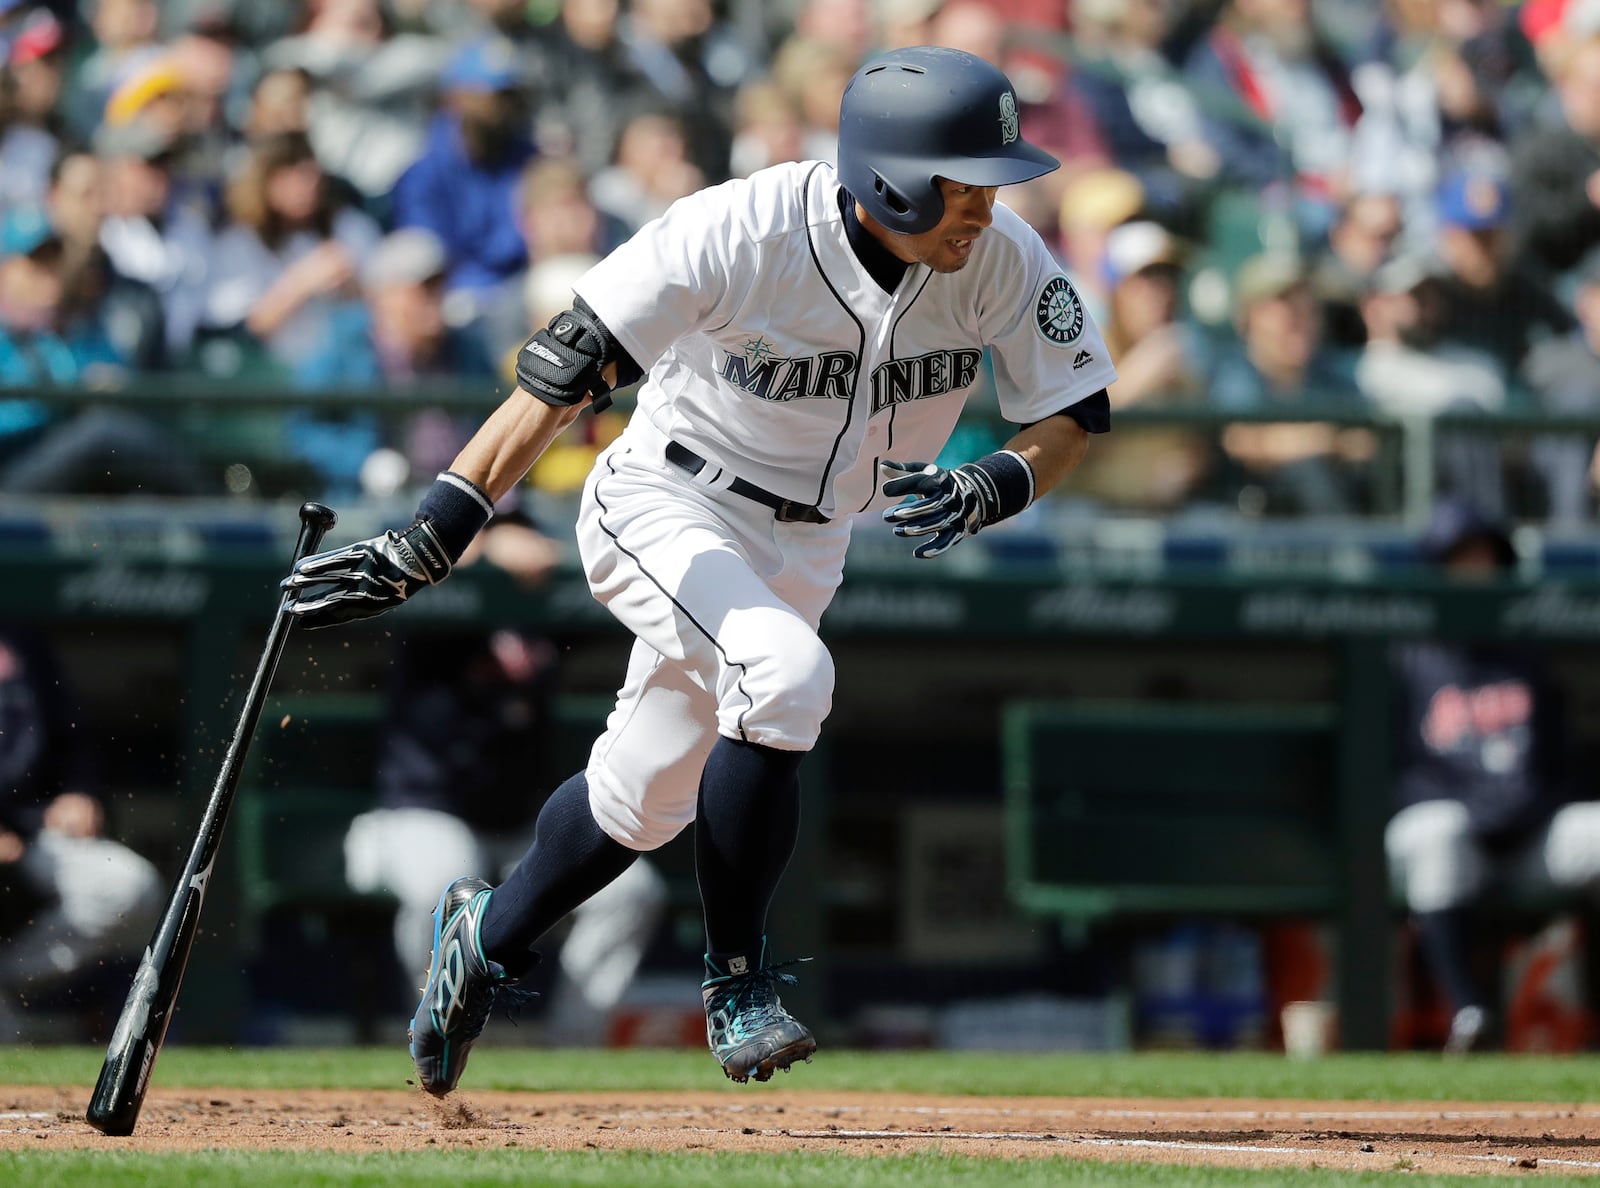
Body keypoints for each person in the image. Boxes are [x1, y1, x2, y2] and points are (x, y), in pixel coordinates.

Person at [283, 46, 1114, 1093]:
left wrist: (999, 479)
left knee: (640, 800)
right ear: (893, 174)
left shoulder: (996, 256)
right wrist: (435, 531)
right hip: (667, 497)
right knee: (786, 675)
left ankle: (482, 937)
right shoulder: (745, 227)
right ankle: (740, 985)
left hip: (812, 536)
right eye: (964, 180)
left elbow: (1074, 412)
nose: (985, 207)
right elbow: (563, 367)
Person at [343, 512, 667, 1045]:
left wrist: (557, 550)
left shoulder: (536, 615)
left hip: (516, 830)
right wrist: (486, 541)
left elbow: (613, 571)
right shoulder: (437, 600)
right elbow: (409, 552)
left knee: (630, 892)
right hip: (416, 817)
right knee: (445, 882)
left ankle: (573, 1052)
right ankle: (439, 1038)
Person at [1386, 496, 1600, 1052]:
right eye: (1459, 560)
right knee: (1438, 832)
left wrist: (1526, 808)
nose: (1474, 572)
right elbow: (1392, 773)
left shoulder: (1529, 651)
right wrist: (1476, 806)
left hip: (1528, 841)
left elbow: (1560, 761)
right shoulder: (1405, 654)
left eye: (1484, 559)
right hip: (1451, 844)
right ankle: (1469, 1012)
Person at [0, 629, 162, 1038]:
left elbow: (71, 738)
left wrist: (79, 790)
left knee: (128, 887)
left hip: (33, 832)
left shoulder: (21, 639)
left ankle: (7, 981)